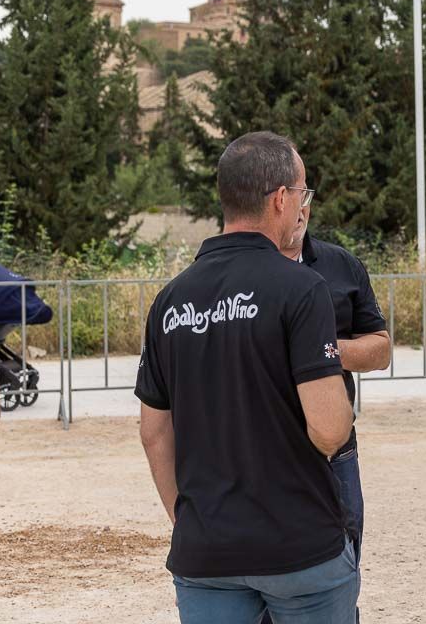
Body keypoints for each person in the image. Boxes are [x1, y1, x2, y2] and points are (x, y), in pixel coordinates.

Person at [135, 132, 357, 623]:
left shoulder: (171, 299)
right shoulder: (302, 287)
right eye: (301, 194)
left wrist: (186, 518)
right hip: (298, 547)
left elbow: (153, 431)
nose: (303, 207)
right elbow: (328, 429)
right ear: (281, 199)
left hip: (207, 550)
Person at [275, 205, 390, 624]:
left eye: (306, 194)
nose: (299, 207)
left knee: (343, 561)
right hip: (264, 447)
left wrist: (319, 350)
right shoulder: (240, 270)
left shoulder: (342, 265)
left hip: (336, 453)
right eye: (290, 194)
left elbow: (380, 350)